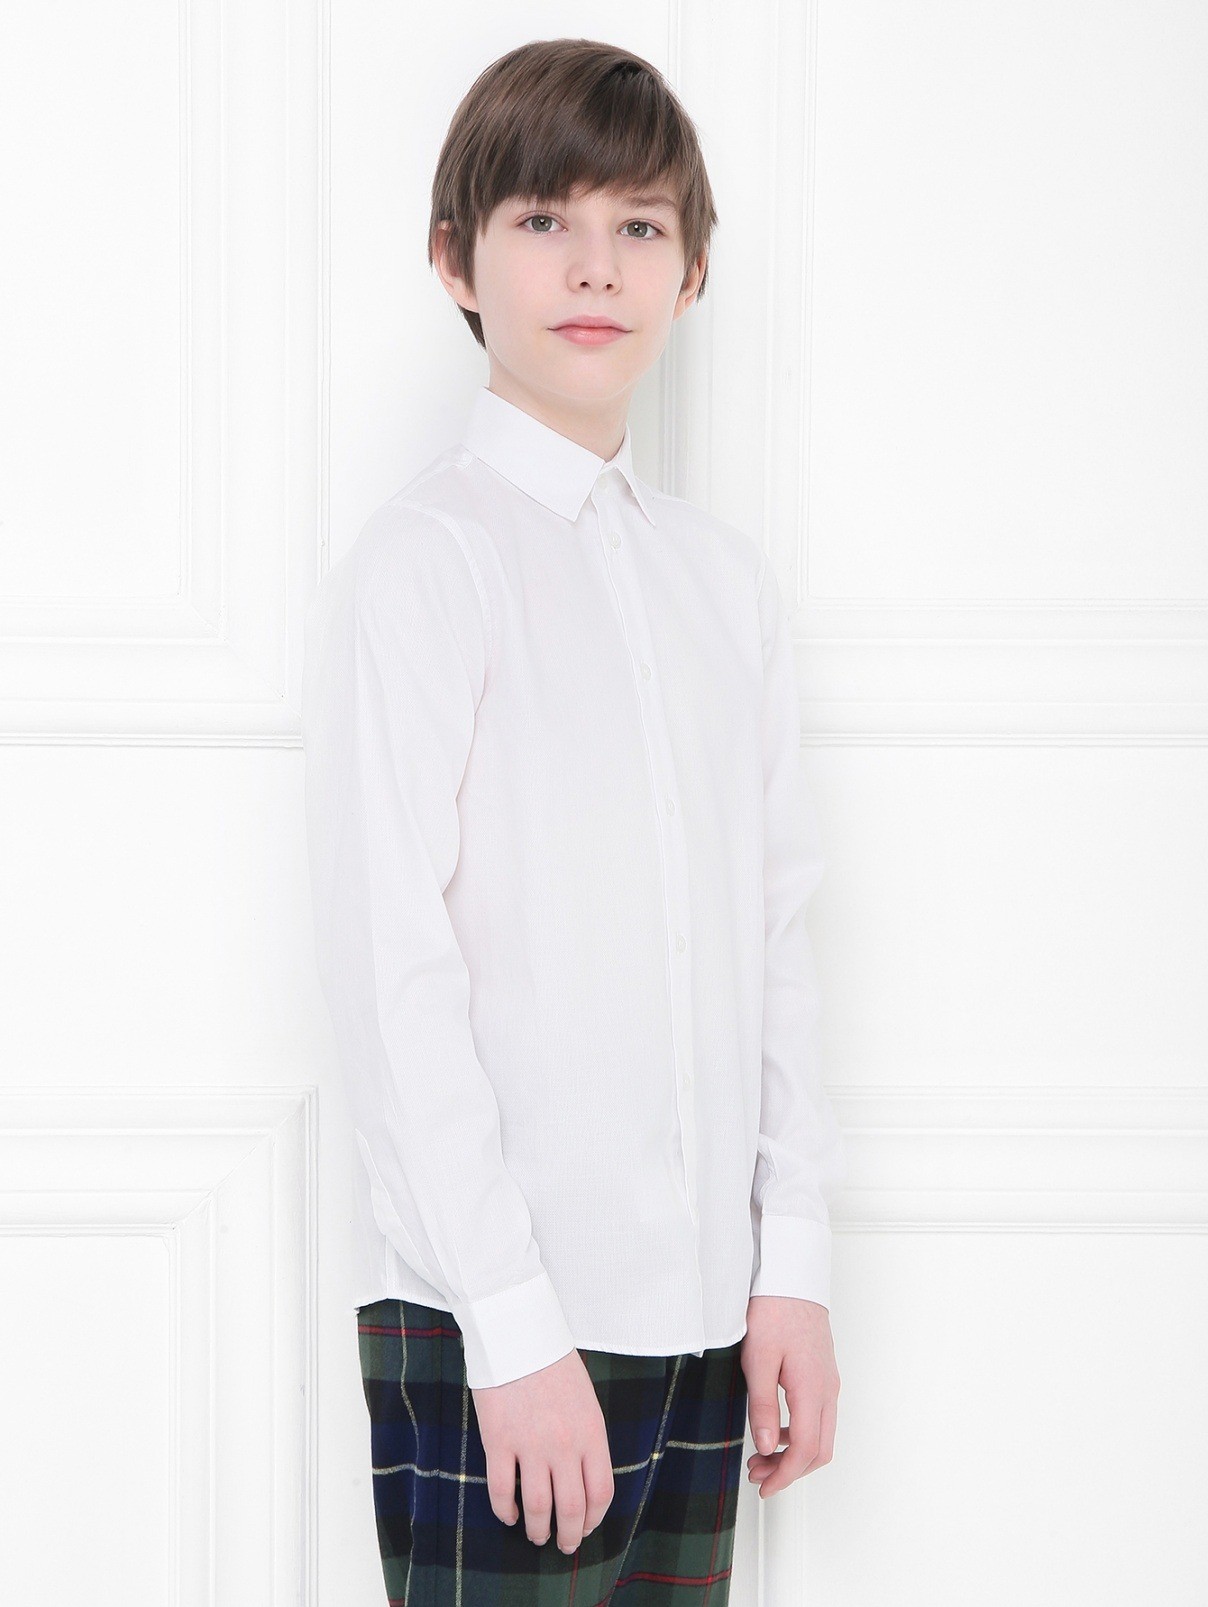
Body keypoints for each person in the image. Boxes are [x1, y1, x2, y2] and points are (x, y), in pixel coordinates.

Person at [301, 35, 848, 1607]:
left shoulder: (722, 587)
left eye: (640, 225)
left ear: (692, 272)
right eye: (545, 219)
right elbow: (394, 973)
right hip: (505, 1324)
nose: (596, 265)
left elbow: (772, 940)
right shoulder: (427, 564)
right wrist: (510, 1323)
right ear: (454, 259)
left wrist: (792, 1268)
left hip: (706, 1317)